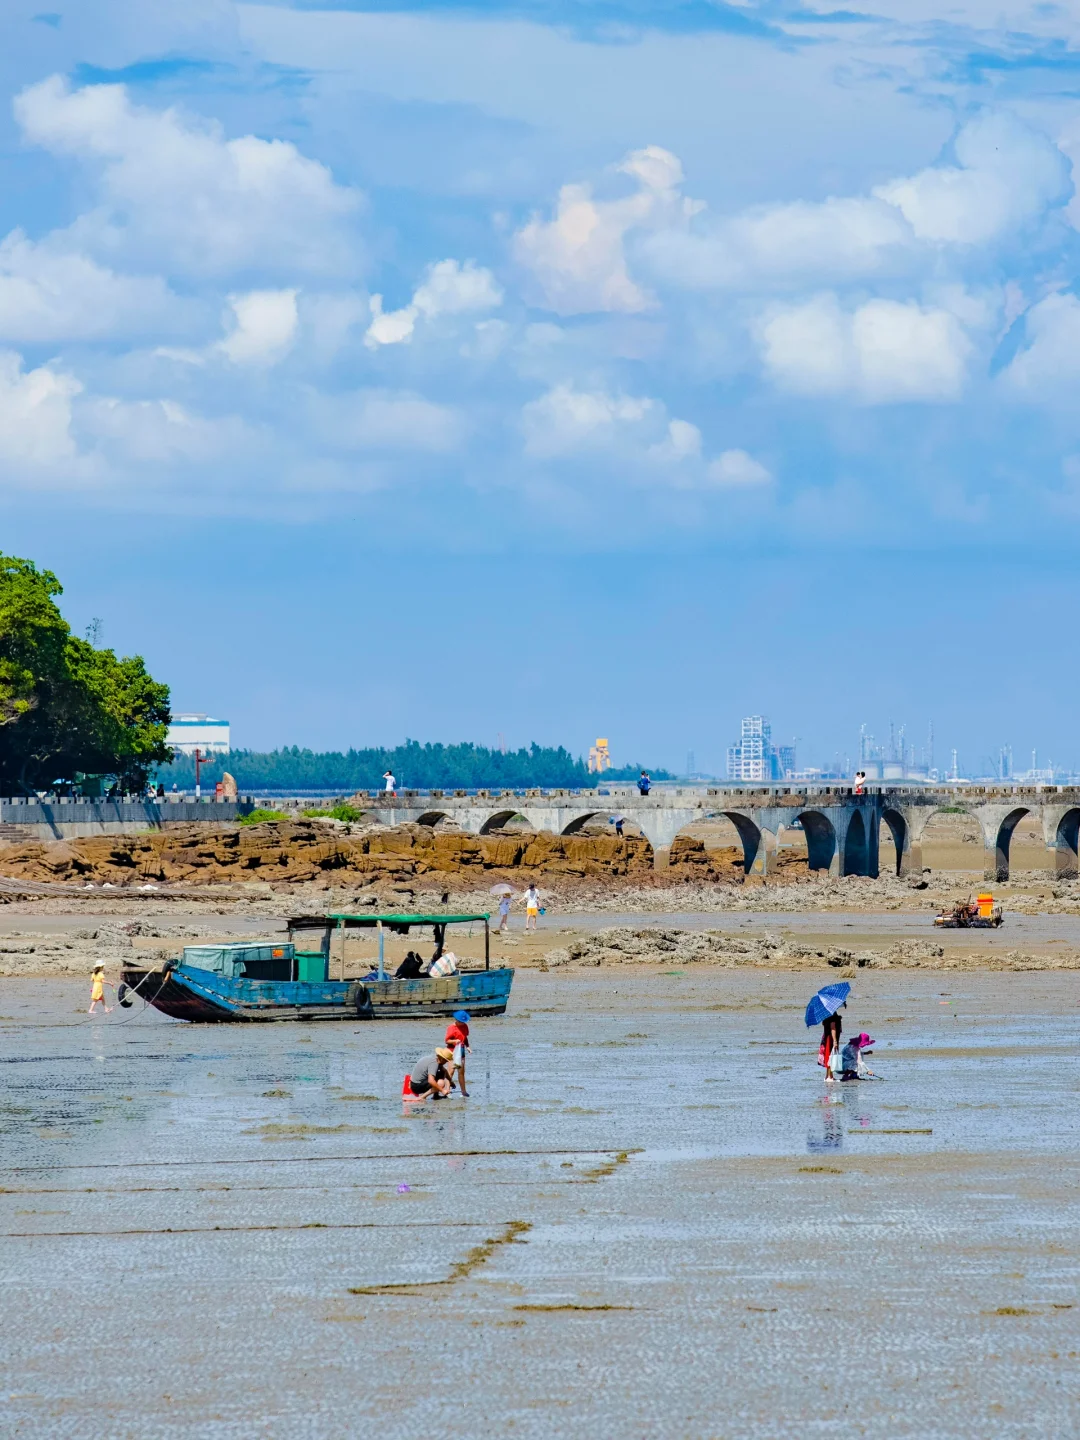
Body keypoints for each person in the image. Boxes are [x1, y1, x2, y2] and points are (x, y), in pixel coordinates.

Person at [445, 1010, 472, 1097]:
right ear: (456, 1020)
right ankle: (447, 1090)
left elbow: (465, 1038)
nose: (462, 1023)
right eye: (461, 1021)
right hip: (452, 1050)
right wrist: (454, 1041)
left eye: (463, 1022)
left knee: (461, 1071)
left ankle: (463, 1091)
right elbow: (447, 1041)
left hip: (461, 1050)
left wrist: (468, 1047)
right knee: (451, 1071)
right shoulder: (451, 1028)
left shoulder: (465, 1026)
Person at [818, 1013, 842, 1082]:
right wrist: (835, 1041)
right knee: (831, 1056)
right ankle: (829, 1076)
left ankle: (828, 1076)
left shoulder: (826, 1015)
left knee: (829, 1055)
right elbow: (833, 1028)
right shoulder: (832, 1015)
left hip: (826, 1037)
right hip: (830, 1038)